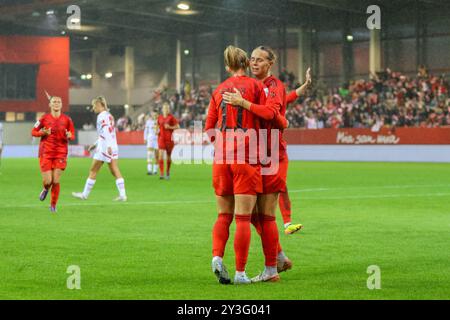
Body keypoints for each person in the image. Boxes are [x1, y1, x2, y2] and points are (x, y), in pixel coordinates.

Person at [206, 45, 281, 285]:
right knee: (242, 219)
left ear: (227, 67)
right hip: (246, 158)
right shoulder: (256, 86)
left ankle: (216, 257)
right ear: (246, 64)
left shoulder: (218, 90)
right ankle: (240, 273)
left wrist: (221, 144)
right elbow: (270, 115)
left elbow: (209, 127)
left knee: (222, 215)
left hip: (221, 159)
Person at [223, 46, 297, 282]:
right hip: (255, 155)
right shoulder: (253, 87)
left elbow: (271, 114)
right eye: (252, 59)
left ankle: (271, 270)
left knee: (265, 215)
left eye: (260, 60)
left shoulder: (273, 85)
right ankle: (279, 257)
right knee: (253, 215)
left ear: (270, 63)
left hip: (273, 155)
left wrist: (243, 103)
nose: (254, 63)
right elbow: (278, 113)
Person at [72, 96, 127, 201]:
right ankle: (123, 195)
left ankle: (84, 195)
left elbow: (105, 131)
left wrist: (107, 146)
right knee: (115, 170)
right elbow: (108, 132)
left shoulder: (101, 116)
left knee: (93, 170)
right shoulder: (109, 115)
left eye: (94, 105)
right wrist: (96, 143)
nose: (93, 108)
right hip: (112, 145)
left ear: (99, 105)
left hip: (105, 147)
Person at [31, 95, 75, 213]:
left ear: (61, 105)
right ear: (50, 104)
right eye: (54, 102)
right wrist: (42, 132)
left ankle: (53, 205)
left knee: (55, 180)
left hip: (61, 153)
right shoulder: (44, 118)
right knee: (48, 181)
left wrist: (70, 136)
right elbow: (33, 132)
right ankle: (45, 189)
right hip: (46, 152)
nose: (56, 103)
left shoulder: (67, 120)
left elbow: (72, 134)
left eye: (59, 102)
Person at [157, 102, 179, 180]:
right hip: (161, 138)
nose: (166, 109)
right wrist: (157, 131)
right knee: (160, 155)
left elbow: (177, 126)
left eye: (167, 108)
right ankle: (162, 173)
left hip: (169, 139)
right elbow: (157, 126)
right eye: (164, 108)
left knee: (168, 157)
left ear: (169, 109)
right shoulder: (159, 117)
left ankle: (167, 171)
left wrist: (169, 127)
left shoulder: (171, 117)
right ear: (162, 109)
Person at [144, 110, 159, 175]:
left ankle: (155, 170)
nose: (154, 116)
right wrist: (145, 138)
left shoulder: (159, 121)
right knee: (149, 154)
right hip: (150, 139)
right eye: (153, 114)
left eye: (155, 114)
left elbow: (161, 130)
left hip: (157, 140)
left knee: (156, 156)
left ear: (157, 115)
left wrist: (158, 132)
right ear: (151, 114)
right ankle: (149, 170)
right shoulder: (148, 122)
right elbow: (146, 130)